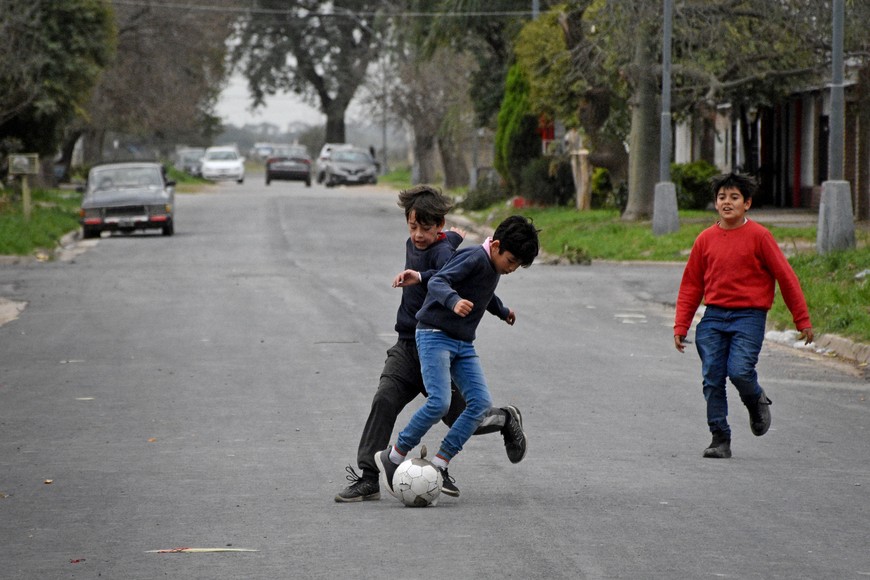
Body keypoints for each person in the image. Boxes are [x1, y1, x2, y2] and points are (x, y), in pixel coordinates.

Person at [335, 187, 528, 502]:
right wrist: (449, 238)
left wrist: (499, 309)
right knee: (384, 400)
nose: (418, 235)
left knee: (462, 417)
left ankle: (504, 418)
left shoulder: (447, 254)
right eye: (413, 227)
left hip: (440, 345)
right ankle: (370, 477)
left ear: (439, 225)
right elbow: (440, 253)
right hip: (407, 346)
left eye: (426, 228)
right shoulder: (424, 243)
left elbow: (465, 281)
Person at [374, 215, 540, 498]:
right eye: (511, 261)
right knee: (439, 402)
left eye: (517, 266)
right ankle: (393, 455)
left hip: (463, 343)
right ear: (496, 245)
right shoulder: (475, 257)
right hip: (434, 334)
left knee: (479, 405)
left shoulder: (493, 266)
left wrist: (502, 311)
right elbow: (439, 280)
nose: (511, 268)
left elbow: (484, 292)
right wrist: (453, 301)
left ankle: (439, 464)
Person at [673, 172, 814, 459]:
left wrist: (802, 319)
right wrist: (681, 324)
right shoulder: (705, 240)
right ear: (715, 204)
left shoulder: (760, 237)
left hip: (749, 317)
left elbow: (786, 278)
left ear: (747, 203)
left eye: (734, 197)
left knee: (739, 371)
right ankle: (719, 438)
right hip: (713, 317)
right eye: (722, 197)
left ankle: (755, 399)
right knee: (712, 376)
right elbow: (691, 284)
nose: (727, 202)